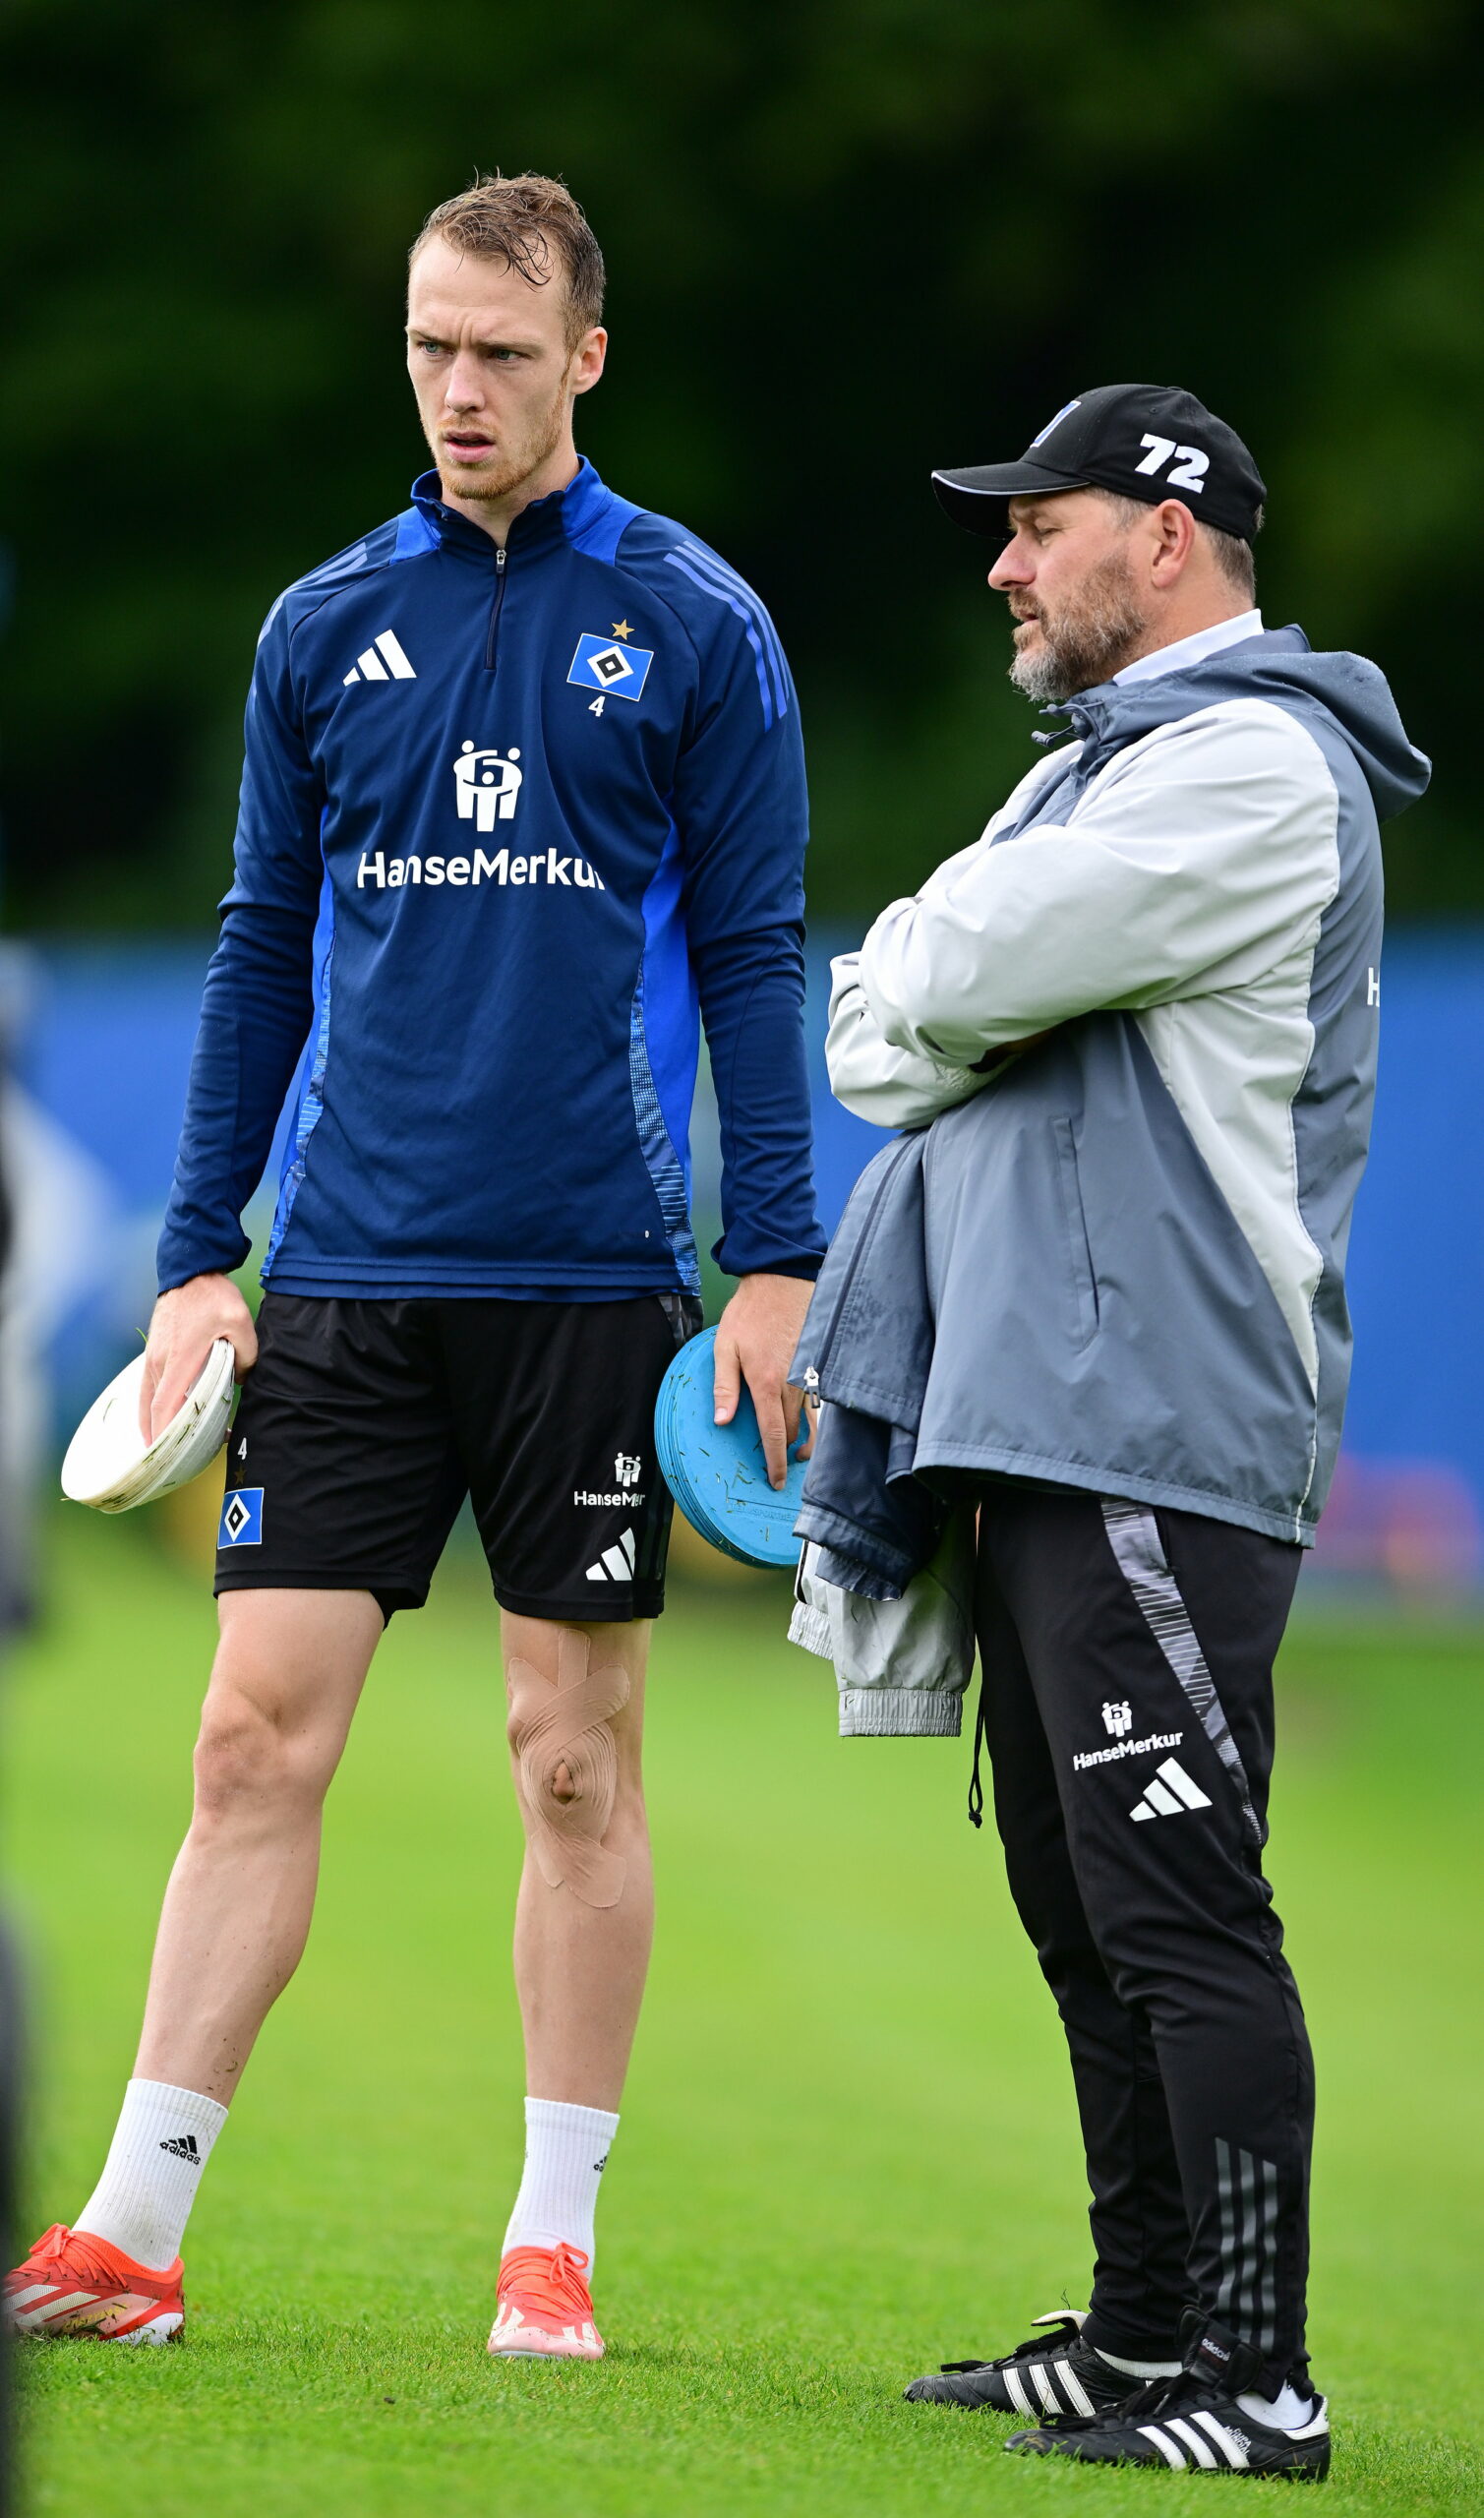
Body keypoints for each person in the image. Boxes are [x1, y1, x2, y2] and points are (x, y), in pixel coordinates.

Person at [6, 172, 822, 2359]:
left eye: (495, 351)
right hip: (345, 1275)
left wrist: (776, 1262)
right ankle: (131, 2228)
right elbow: (259, 948)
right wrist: (200, 1257)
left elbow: (753, 949)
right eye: (425, 348)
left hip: (587, 1282)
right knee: (248, 1745)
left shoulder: (696, 619)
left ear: (583, 358)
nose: (456, 390)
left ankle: (547, 2238)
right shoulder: (318, 627)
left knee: (572, 1757)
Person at [794, 385, 1428, 2480]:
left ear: (1161, 539)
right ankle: (1147, 2323)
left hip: (1156, 1413)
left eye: (1033, 524)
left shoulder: (1243, 759)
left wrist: (917, 972)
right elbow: (890, 1023)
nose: (1001, 562)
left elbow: (933, 969)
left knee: (1175, 1904)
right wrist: (916, 980)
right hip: (1053, 1413)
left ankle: (1253, 2367)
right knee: (1082, 1900)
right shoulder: (1097, 774)